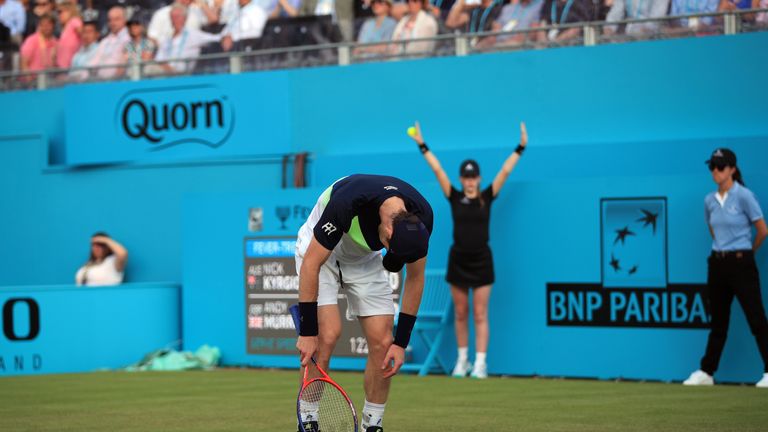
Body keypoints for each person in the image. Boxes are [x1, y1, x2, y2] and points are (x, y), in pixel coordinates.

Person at [294, 174, 433, 432]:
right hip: (320, 251)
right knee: (326, 336)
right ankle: (308, 420)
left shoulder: (421, 217)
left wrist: (400, 343)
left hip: (363, 259)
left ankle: (373, 425)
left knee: (383, 343)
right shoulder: (348, 202)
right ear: (388, 232)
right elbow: (311, 264)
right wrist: (307, 331)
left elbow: (415, 278)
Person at [409, 121, 528, 379]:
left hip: (482, 260)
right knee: (461, 313)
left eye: (474, 177)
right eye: (466, 177)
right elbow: (437, 168)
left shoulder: (488, 195)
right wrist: (422, 144)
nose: (470, 181)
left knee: (480, 313)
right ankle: (462, 361)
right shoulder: (453, 195)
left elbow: (505, 172)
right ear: (462, 179)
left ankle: (480, 364)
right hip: (459, 259)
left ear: (479, 179)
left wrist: (520, 147)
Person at [683, 148, 768, 388]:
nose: (715, 171)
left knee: (756, 318)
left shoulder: (744, 196)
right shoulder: (709, 200)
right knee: (718, 322)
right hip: (717, 264)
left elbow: (762, 230)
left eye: (720, 167)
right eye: (712, 167)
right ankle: (707, 372)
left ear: (731, 169)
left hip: (742, 263)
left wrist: (746, 253)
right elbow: (713, 228)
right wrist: (723, 248)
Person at [153, 4, 221, 74]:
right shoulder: (167, 39)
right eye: (172, 17)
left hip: (182, 72)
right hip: (165, 71)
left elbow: (217, 38)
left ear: (184, 18)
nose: (174, 20)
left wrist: (227, 37)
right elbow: (159, 59)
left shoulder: (192, 35)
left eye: (177, 17)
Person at [88, 5, 130, 79]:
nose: (112, 23)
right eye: (110, 20)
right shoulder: (105, 41)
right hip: (99, 82)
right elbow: (94, 63)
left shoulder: (129, 39)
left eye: (116, 19)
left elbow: (123, 66)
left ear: (125, 20)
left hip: (118, 82)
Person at [55, 0, 82, 69]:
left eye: (60, 12)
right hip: (62, 68)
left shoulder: (74, 21)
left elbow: (83, 35)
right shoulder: (64, 28)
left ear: (69, 11)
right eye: (58, 13)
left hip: (72, 66)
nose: (59, 15)